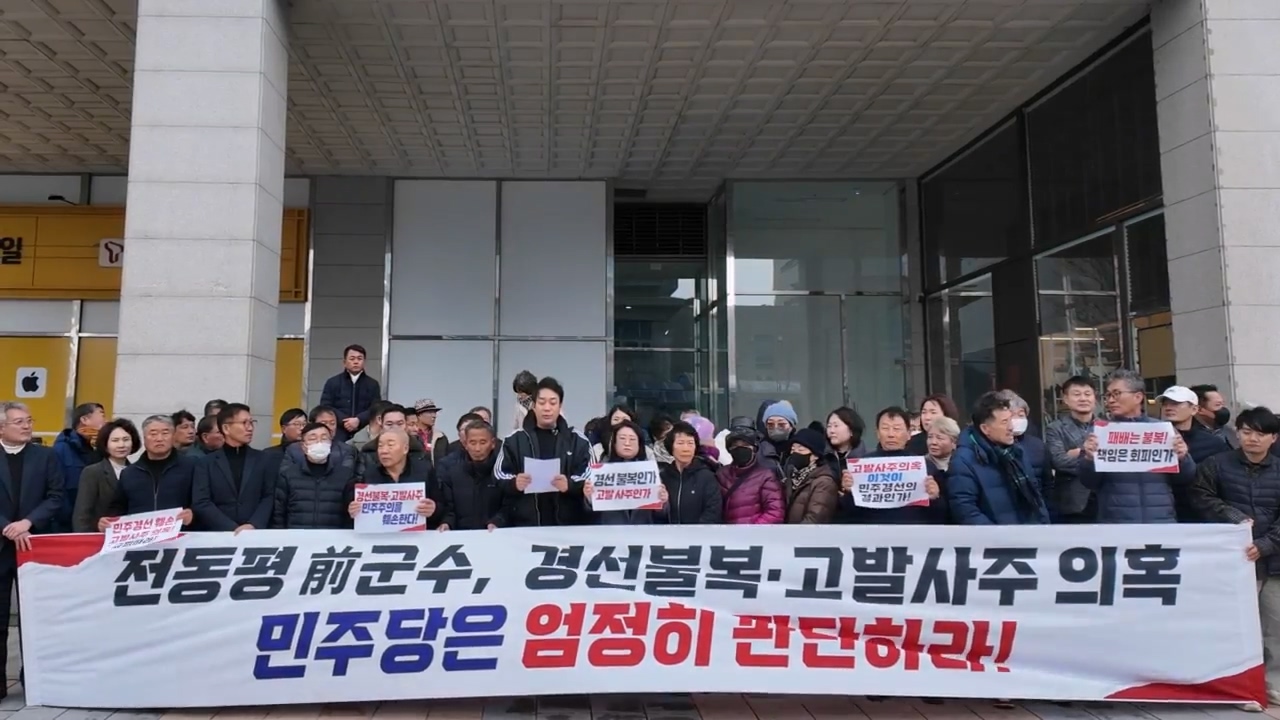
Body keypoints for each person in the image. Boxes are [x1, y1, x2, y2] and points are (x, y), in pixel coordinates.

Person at [1187, 406, 1280, 707]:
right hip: (1232, 559)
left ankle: (1273, 687)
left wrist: (1266, 544)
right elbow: (1200, 496)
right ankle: (1243, 689)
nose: (1253, 438)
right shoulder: (1217, 464)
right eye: (1247, 431)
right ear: (1237, 433)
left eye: (1261, 433)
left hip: (1274, 561)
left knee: (1275, 628)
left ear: (1273, 438)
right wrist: (1233, 517)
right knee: (1239, 629)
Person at [0, 402, 64, 698]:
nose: (27, 426)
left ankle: (35, 682)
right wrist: (7, 527)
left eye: (29, 420)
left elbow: (56, 496)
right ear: (1, 427)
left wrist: (27, 522)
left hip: (35, 544)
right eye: (19, 422)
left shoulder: (45, 456)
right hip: (2, 542)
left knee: (34, 618)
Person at [1077, 369, 1195, 524]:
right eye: (1108, 395)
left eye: (1117, 394)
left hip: (1160, 519)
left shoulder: (1162, 430)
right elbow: (1088, 482)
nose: (1110, 400)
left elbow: (1186, 478)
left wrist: (1182, 458)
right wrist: (1089, 459)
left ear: (1138, 397)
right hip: (1116, 520)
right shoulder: (1099, 432)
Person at [494, 376, 592, 527]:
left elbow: (591, 474)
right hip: (525, 525)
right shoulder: (514, 440)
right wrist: (514, 483)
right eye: (541, 402)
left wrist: (571, 484)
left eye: (552, 403)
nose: (547, 408)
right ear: (533, 405)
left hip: (568, 525)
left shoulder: (578, 440)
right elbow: (499, 474)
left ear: (560, 406)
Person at [947, 392, 1050, 526]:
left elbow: (1036, 498)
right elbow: (965, 510)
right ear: (985, 428)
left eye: (1011, 420)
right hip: (993, 537)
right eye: (1004, 422)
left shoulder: (1015, 451)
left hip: (1028, 533)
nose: (1011, 427)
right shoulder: (963, 460)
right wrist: (998, 535)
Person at [839, 407, 945, 524]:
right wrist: (849, 493)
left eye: (897, 429)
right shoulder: (860, 467)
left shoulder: (925, 467)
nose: (891, 434)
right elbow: (848, 515)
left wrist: (935, 497)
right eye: (885, 428)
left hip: (913, 531)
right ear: (877, 433)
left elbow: (943, 516)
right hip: (873, 531)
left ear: (909, 434)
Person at [192, 403, 274, 534]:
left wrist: (253, 524)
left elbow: (269, 496)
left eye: (251, 422)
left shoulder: (264, 459)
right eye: (244, 423)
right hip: (218, 535)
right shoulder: (206, 463)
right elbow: (202, 502)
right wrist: (232, 528)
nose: (250, 428)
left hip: (256, 533)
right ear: (226, 428)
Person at [103, 415, 196, 524]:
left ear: (173, 436)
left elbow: (202, 503)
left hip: (181, 532)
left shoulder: (191, 467)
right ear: (144, 438)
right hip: (139, 533)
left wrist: (193, 514)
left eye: (165, 433)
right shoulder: (129, 473)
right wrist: (107, 521)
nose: (159, 439)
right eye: (153, 434)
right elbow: (118, 507)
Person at [1159, 385, 1230, 522]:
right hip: (1162, 512)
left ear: (1194, 409)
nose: (1168, 407)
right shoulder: (1150, 439)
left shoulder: (1213, 443)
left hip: (1199, 515)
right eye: (1165, 403)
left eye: (1176, 403)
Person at [273, 421, 357, 529]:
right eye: (313, 439)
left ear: (331, 444)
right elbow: (279, 514)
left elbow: (350, 514)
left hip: (333, 537)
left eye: (324, 438)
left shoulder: (345, 475)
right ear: (303, 446)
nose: (319, 443)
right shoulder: (288, 475)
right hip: (296, 536)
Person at [584, 420, 669, 524]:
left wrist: (663, 501)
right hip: (610, 531)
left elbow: (662, 515)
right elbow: (589, 514)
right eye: (622, 438)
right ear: (614, 443)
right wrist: (589, 498)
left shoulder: (650, 472)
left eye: (632, 439)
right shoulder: (601, 472)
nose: (627, 443)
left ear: (639, 444)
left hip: (643, 531)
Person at [349, 429, 438, 528]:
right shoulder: (368, 474)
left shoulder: (424, 471)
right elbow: (350, 506)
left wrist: (433, 509)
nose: (384, 451)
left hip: (416, 535)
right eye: (380, 446)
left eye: (390, 445)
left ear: (405, 448)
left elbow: (442, 505)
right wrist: (353, 509)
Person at [1045, 375, 1100, 522]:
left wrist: (1076, 453)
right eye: (1076, 394)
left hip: (1104, 499)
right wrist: (1086, 453)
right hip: (1071, 503)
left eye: (1087, 394)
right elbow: (1059, 461)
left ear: (1094, 398)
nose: (1083, 398)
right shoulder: (1055, 428)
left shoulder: (1106, 426)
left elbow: (1112, 462)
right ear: (1066, 399)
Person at [72, 418, 139, 533]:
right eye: (115, 440)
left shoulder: (138, 472)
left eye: (126, 439)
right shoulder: (93, 472)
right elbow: (82, 515)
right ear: (105, 444)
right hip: (99, 536)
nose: (121, 445)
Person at [439, 420, 503, 531]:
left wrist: (498, 521)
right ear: (465, 444)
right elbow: (448, 506)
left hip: (494, 533)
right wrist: (447, 523)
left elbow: (509, 505)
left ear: (493, 443)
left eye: (483, 442)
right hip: (460, 534)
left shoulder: (503, 469)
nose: (477, 448)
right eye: (472, 443)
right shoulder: (450, 470)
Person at [52, 401, 105, 532]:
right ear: (84, 420)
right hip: (67, 523)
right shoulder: (62, 448)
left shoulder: (97, 448)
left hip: (95, 521)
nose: (106, 421)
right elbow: (57, 487)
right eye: (102, 415)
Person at [657, 421, 721, 524]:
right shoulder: (663, 477)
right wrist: (662, 505)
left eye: (690, 443)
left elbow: (713, 511)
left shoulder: (707, 476)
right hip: (670, 533)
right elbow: (657, 517)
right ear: (671, 446)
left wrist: (695, 532)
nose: (686, 449)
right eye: (680, 443)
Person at [716, 427, 784, 525]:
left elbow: (775, 512)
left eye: (745, 445)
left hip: (754, 533)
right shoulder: (721, 474)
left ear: (754, 449)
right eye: (735, 446)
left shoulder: (766, 476)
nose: (740, 449)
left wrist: (752, 529)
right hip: (726, 533)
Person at [996, 390, 1052, 503]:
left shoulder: (1038, 445)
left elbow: (1048, 484)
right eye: (1012, 415)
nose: (1017, 419)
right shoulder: (993, 445)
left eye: (1021, 415)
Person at [319, 344, 382, 442]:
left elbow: (376, 407)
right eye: (352, 359)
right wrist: (345, 421)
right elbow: (325, 406)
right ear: (344, 362)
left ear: (364, 362)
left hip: (364, 429)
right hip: (338, 429)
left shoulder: (372, 384)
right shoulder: (332, 382)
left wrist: (359, 420)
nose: (356, 362)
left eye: (359, 358)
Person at [354, 404, 429, 479]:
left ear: (406, 425)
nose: (395, 428)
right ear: (381, 425)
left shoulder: (419, 451)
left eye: (400, 424)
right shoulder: (368, 454)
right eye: (389, 424)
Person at [782, 427, 839, 524]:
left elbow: (816, 517)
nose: (795, 453)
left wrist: (794, 532)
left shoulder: (824, 482)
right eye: (793, 449)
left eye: (801, 449)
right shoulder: (790, 476)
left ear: (815, 456)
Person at [1191, 383, 1239, 449]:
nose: (1223, 408)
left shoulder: (1228, 430)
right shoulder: (1191, 435)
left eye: (1223, 404)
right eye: (1218, 405)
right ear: (1199, 409)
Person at [823, 406, 867, 480]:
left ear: (851, 430)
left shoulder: (867, 458)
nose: (831, 431)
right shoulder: (823, 457)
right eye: (829, 426)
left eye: (836, 426)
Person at [263, 408, 307, 480]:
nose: (302, 428)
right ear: (284, 429)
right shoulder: (269, 454)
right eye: (297, 424)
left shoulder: (310, 454)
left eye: (304, 424)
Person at [760, 400, 798, 467]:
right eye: (770, 424)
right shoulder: (758, 450)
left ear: (791, 426)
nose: (776, 427)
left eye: (781, 424)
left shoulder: (800, 450)